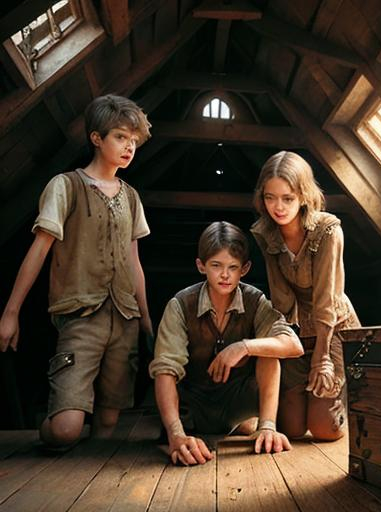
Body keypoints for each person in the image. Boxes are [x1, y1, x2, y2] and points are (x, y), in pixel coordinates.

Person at [0, 94, 153, 448]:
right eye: (120, 137)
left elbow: (134, 263)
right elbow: (38, 251)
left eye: (134, 141)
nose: (129, 147)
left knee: (110, 418)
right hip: (80, 315)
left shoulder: (130, 196)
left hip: (125, 317)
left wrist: (146, 320)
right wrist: (11, 314)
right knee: (66, 431)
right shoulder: (65, 185)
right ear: (96, 138)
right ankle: (46, 435)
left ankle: (86, 481)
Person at [150, 221, 303, 466]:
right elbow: (165, 370)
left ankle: (264, 425)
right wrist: (175, 434)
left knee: (269, 348)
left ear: (245, 269)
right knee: (165, 373)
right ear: (201, 266)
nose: (225, 275)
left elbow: (293, 345)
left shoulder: (255, 301)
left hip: (239, 400)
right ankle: (206, 429)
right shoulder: (180, 304)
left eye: (233, 267)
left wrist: (243, 346)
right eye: (216, 266)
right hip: (193, 404)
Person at [251, 151, 361, 441]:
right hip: (298, 330)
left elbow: (327, 297)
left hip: (334, 326)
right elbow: (280, 295)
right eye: (270, 197)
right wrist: (284, 342)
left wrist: (322, 357)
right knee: (293, 429)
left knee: (324, 429)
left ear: (303, 195)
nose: (278, 207)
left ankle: (345, 397)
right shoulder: (264, 232)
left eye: (287, 198)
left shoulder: (327, 230)